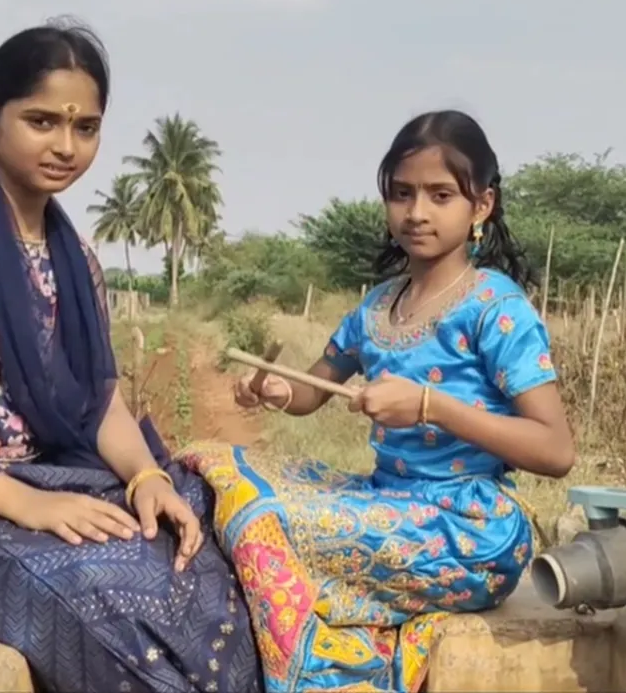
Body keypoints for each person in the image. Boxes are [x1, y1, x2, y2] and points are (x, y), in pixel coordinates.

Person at [0, 21, 261, 693]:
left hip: (38, 480)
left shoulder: (77, 259)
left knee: (196, 546)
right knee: (93, 593)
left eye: (85, 127)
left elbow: (99, 403)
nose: (66, 146)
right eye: (41, 121)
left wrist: (146, 474)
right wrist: (18, 504)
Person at [182, 110, 576, 693]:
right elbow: (314, 388)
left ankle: (327, 671)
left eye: (441, 195)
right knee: (211, 465)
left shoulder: (496, 307)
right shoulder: (378, 306)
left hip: (466, 529)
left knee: (261, 520)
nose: (416, 212)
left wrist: (429, 406)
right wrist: (276, 388)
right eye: (402, 194)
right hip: (384, 500)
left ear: (482, 207)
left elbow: (556, 449)